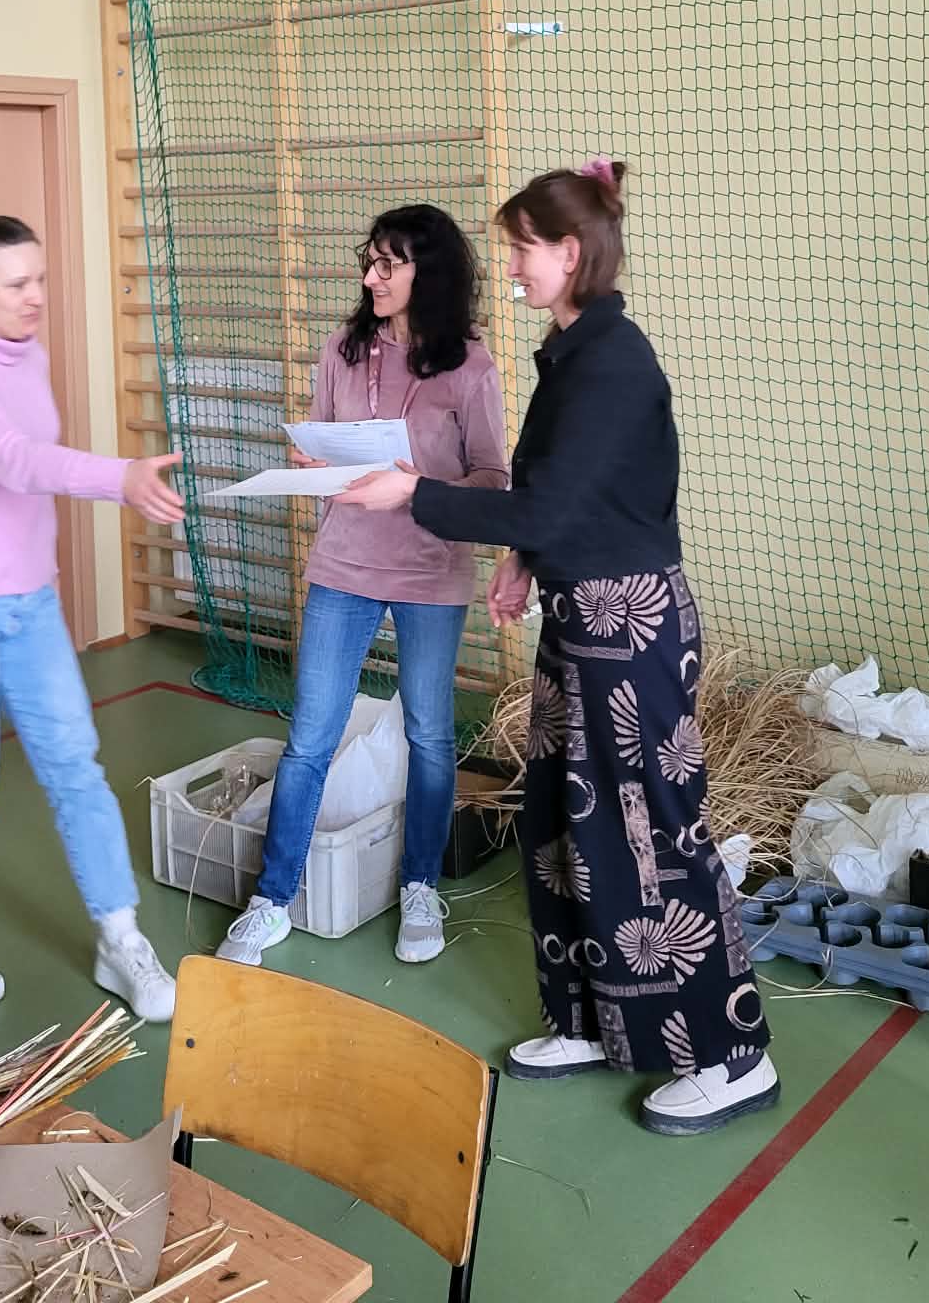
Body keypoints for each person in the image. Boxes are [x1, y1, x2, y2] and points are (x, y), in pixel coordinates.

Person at [343, 161, 777, 1135]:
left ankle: (730, 1053)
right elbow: (558, 493)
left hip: (631, 627)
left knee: (652, 836)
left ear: (570, 252)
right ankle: (591, 1020)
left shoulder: (613, 360)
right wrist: (522, 563)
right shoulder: (569, 349)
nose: (510, 265)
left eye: (522, 248)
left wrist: (412, 491)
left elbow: (550, 503)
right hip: (579, 617)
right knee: (561, 827)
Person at [0, 192, 186, 1020]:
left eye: (40, 279)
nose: (35, 297)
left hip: (27, 604)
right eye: (16, 284)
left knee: (75, 767)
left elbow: (28, 465)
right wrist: (121, 478)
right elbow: (17, 462)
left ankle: (120, 938)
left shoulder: (25, 353)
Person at [217, 204, 508, 970]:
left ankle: (420, 885)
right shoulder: (341, 349)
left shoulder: (471, 365)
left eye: (387, 264)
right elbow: (325, 440)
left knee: (430, 735)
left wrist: (421, 484)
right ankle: (272, 899)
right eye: (368, 261)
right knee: (311, 736)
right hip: (343, 566)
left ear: (427, 273)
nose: (370, 277)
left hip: (431, 571)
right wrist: (318, 469)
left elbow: (493, 479)